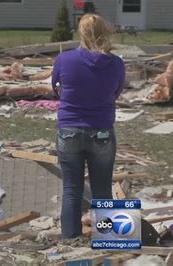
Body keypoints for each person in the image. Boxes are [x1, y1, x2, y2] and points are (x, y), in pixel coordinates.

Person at [52, 14, 125, 238]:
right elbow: (117, 92)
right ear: (106, 32)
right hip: (101, 130)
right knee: (103, 191)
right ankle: (107, 239)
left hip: (69, 130)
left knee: (71, 190)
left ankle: (70, 241)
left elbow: (55, 88)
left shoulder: (64, 59)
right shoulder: (117, 63)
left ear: (80, 33)